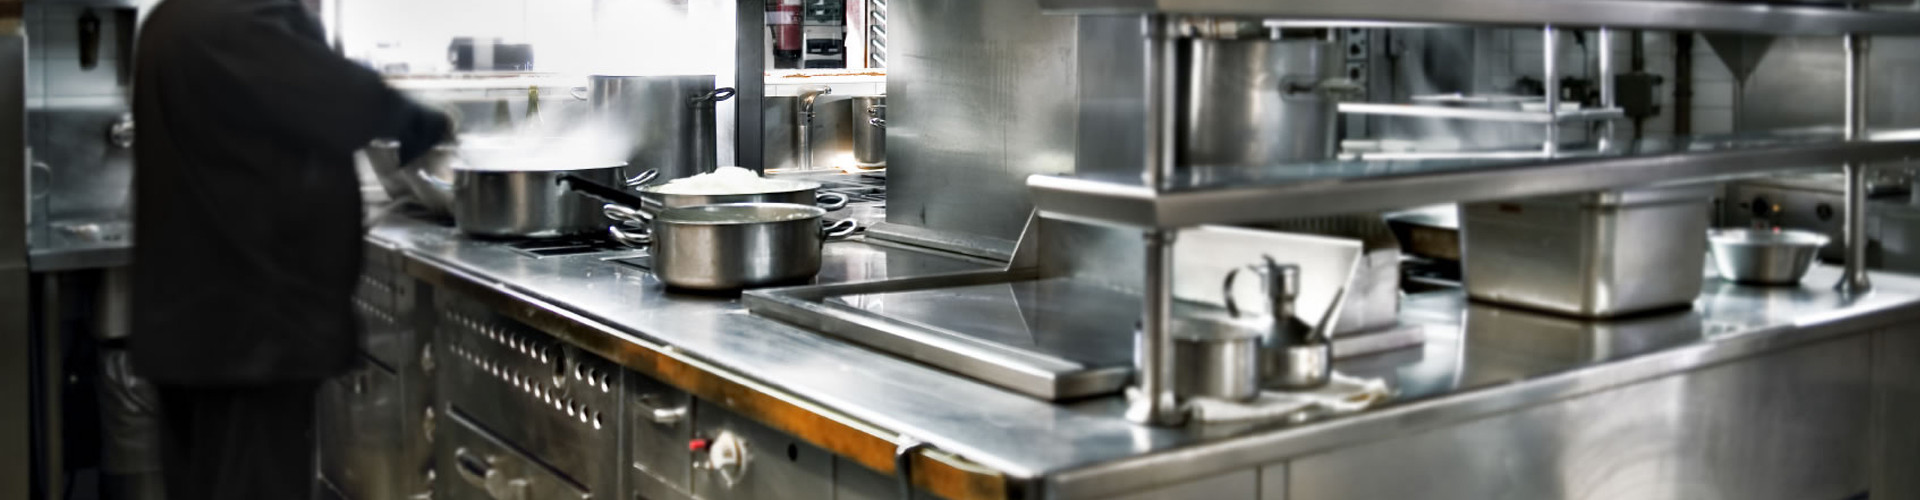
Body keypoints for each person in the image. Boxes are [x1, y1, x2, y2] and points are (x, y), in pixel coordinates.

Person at [128, 0, 453, 498]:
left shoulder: (173, 18)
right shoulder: (235, 21)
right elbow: (346, 103)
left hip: (198, 328)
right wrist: (423, 121)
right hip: (246, 337)